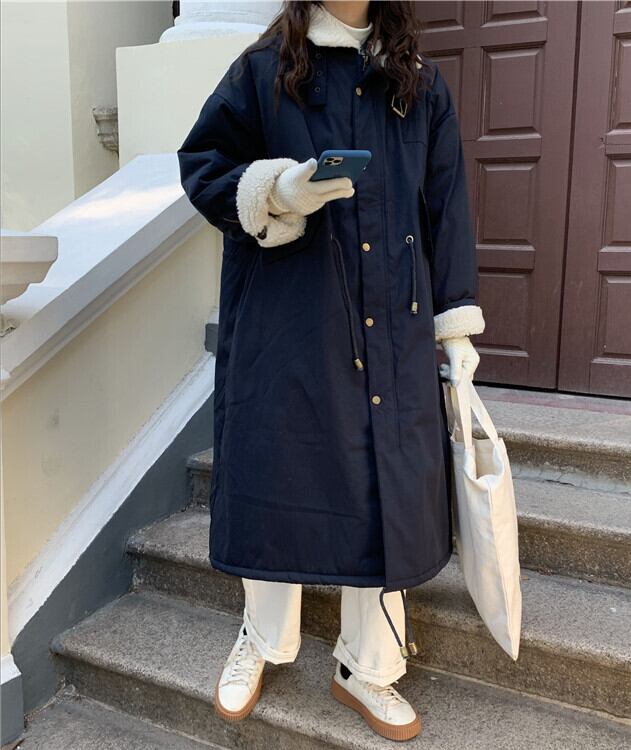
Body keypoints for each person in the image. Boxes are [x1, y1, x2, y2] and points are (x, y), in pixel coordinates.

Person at [177, 0, 484, 741]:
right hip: (289, 321)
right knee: (277, 472)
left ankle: (368, 666)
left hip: (395, 325)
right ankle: (262, 638)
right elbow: (203, 166)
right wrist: (276, 191)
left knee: (387, 488)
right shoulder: (263, 72)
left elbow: (446, 207)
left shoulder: (417, 83)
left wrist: (455, 327)